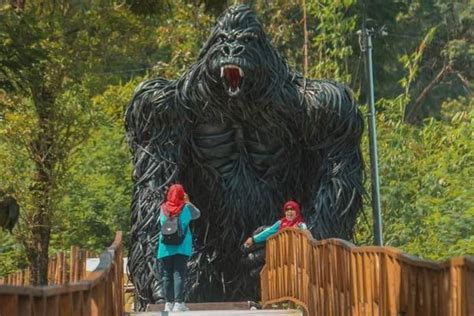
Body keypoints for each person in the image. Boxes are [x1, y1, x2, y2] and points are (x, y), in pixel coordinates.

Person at [157, 184, 200, 312]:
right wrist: (188, 201)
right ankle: (178, 303)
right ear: (182, 194)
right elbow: (198, 214)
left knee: (166, 275)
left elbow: (161, 223)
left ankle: (168, 303)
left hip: (165, 247)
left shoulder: (163, 208)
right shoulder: (186, 208)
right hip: (182, 246)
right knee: (178, 274)